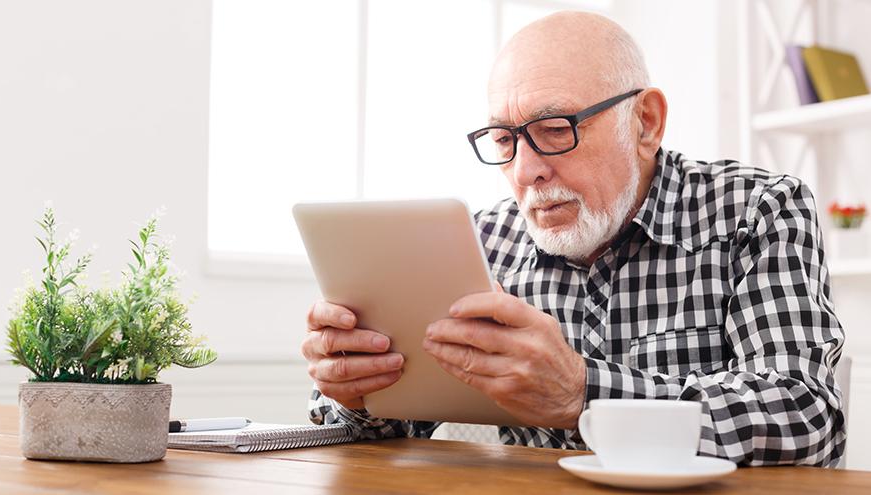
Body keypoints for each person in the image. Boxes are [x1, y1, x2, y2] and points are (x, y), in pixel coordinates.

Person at [301, 11, 846, 466]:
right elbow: (387, 431)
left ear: (646, 123)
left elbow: (806, 415)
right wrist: (356, 392)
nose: (525, 171)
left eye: (556, 130)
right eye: (503, 139)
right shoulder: (484, 243)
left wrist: (583, 394)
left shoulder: (757, 209)